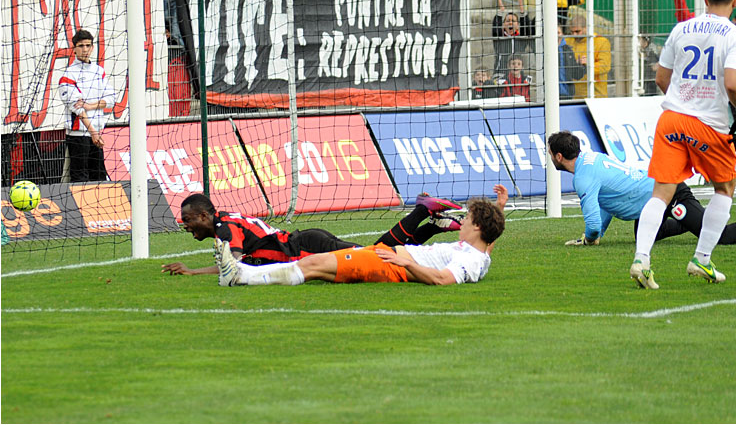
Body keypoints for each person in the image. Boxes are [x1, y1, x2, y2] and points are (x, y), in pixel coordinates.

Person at [631, 0, 736, 290]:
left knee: (661, 193)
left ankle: (641, 259)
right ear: (735, 1)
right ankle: (702, 259)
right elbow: (733, 83)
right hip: (708, 125)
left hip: (671, 119)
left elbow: (661, 79)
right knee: (725, 188)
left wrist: (682, 99)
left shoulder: (682, 29)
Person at [213, 185, 508, 287]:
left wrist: (404, 263)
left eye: (468, 219)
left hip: (389, 264)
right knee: (316, 265)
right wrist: (498, 209)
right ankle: (242, 274)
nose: (464, 222)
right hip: (390, 260)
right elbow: (489, 242)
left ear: (478, 228)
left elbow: (442, 279)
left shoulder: (468, 259)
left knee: (313, 265)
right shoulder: (480, 253)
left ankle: (241, 276)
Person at [162, 193, 464, 276]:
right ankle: (433, 226)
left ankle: (422, 212)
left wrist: (192, 272)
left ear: (204, 215)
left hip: (306, 248)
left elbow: (233, 265)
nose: (184, 224)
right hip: (306, 241)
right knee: (384, 255)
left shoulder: (223, 227)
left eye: (187, 219)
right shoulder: (226, 220)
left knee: (380, 254)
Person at [547, 131, 736, 247]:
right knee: (648, 234)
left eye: (550, 153)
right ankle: (697, 219)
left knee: (722, 237)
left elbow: (592, 223)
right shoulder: (591, 158)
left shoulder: (583, 177)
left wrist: (590, 238)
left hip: (669, 192)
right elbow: (607, 201)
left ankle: (704, 220)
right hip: (649, 199)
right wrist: (600, 234)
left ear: (558, 156)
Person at [59, 29, 116, 182]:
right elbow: (77, 108)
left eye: (88, 45)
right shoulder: (68, 75)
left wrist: (90, 106)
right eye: (81, 46)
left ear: (92, 47)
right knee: (79, 177)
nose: (85, 49)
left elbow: (111, 98)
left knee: (99, 176)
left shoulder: (99, 71)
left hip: (96, 132)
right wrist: (93, 132)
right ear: (74, 49)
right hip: (79, 134)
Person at [492, 0, 535, 76]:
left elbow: (526, 29)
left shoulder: (521, 39)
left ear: (518, 25)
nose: (510, 23)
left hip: (517, 74)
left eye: (513, 21)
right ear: (503, 25)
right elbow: (495, 28)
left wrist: (522, 10)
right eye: (508, 21)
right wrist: (501, 11)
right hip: (501, 73)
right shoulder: (499, 39)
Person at [568, 15, 611, 98]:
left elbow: (605, 66)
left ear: (587, 28)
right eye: (571, 32)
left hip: (596, 95)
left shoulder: (601, 42)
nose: (574, 34)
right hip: (574, 95)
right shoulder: (568, 41)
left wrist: (589, 64)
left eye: (577, 31)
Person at [558, 25, 584, 99]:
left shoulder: (568, 50)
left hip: (567, 94)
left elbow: (576, 75)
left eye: (558, 33)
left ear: (562, 34)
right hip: (551, 94)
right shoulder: (544, 50)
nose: (556, 35)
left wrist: (581, 66)